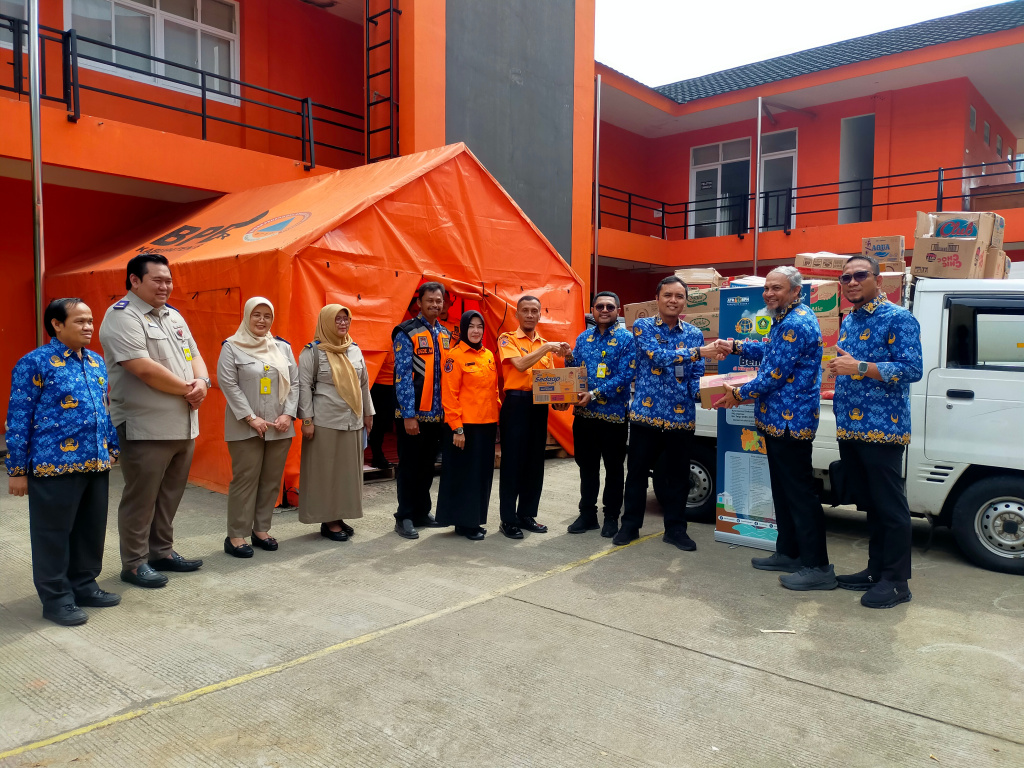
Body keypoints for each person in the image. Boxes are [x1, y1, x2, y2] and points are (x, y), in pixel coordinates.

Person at [714, 267, 832, 590]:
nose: (768, 294)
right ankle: (790, 552)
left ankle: (818, 566)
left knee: (800, 495)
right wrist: (735, 347)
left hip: (790, 423)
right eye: (766, 288)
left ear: (795, 291)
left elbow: (773, 376)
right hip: (777, 421)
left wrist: (737, 394)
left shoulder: (795, 322)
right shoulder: (786, 318)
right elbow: (771, 352)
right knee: (782, 491)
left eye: (776, 288)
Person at [6, 299, 121, 625]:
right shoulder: (34, 363)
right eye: (80, 321)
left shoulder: (96, 362)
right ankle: (56, 599)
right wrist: (17, 470)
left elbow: (104, 409)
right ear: (56, 324)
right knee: (53, 535)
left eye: (91, 321)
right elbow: (18, 418)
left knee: (90, 530)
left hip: (95, 462)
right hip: (52, 465)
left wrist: (112, 447)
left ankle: (84, 585)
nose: (88, 327)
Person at [99, 254, 208, 589]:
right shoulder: (122, 316)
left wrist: (202, 382)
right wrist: (189, 390)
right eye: (157, 280)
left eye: (168, 280)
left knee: (170, 494)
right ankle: (134, 563)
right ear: (134, 280)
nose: (165, 286)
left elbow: (194, 355)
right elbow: (142, 367)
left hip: (183, 423)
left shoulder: (173, 316)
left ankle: (161, 552)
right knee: (141, 498)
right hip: (145, 427)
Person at [828, 254, 922, 609]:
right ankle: (876, 570)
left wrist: (860, 367)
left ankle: (896, 582)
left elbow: (912, 369)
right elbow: (852, 367)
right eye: (846, 277)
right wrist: (841, 370)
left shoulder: (899, 318)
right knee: (871, 505)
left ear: (878, 280)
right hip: (851, 426)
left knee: (891, 507)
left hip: (883, 428)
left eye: (860, 275)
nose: (852, 282)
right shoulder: (850, 319)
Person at [617, 276, 714, 550]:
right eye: (668, 295)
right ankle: (629, 526)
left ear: (686, 301)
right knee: (636, 475)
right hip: (645, 417)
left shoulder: (694, 334)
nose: (673, 300)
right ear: (657, 299)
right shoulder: (643, 327)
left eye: (679, 296)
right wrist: (699, 352)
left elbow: (695, 377)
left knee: (678, 478)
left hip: (680, 419)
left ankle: (675, 529)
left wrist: (714, 393)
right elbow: (657, 357)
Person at [217, 297, 299, 558]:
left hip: (279, 426)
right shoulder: (232, 347)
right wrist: (250, 417)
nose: (262, 320)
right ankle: (236, 535)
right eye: (256, 315)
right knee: (245, 480)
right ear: (247, 316)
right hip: (245, 427)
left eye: (267, 316)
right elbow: (228, 384)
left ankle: (261, 529)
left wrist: (288, 414)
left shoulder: (283, 348)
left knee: (271, 480)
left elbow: (294, 384)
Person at [496, 295, 571, 539]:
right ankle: (508, 520)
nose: (530, 315)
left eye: (534, 311)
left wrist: (561, 401)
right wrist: (547, 348)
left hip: (538, 407)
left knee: (534, 463)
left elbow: (550, 382)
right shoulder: (507, 338)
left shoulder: (544, 344)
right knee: (512, 463)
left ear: (540, 315)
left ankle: (527, 515)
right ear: (517, 314)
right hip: (516, 404)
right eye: (525, 310)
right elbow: (519, 365)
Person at [297, 305, 374, 541]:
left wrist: (368, 413)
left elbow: (363, 384)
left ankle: (339, 516)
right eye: (337, 319)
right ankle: (328, 520)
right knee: (326, 473)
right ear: (326, 322)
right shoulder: (312, 352)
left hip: (352, 420)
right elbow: (303, 387)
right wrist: (307, 420)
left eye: (345, 319)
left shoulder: (354, 349)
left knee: (345, 473)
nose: (342, 323)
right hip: (325, 422)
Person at [565, 291, 635, 538]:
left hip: (613, 417)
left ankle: (611, 517)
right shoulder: (583, 338)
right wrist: (568, 359)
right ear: (592, 310)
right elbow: (573, 372)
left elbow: (626, 376)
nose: (604, 310)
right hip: (584, 416)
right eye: (599, 306)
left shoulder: (627, 339)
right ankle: (587, 515)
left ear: (618, 310)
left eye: (609, 307)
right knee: (587, 468)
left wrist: (594, 394)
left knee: (614, 469)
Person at [392, 283, 451, 539]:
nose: (435, 305)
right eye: (430, 300)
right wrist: (408, 415)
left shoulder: (446, 334)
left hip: (437, 415)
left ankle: (421, 512)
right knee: (409, 466)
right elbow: (402, 376)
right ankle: (404, 516)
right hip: (413, 416)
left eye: (439, 301)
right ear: (419, 302)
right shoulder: (406, 332)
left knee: (427, 466)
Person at [436, 311, 501, 540]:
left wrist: (497, 419)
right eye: (471, 326)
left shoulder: (488, 355)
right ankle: (464, 523)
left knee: (482, 475)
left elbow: (494, 391)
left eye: (479, 326)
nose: (476, 331)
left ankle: (475, 520)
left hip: (487, 425)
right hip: (465, 427)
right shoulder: (454, 357)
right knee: (465, 476)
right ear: (464, 329)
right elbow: (449, 395)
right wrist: (457, 428)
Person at [367, 349, 395, 470]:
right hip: (378, 382)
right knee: (379, 422)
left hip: (398, 382)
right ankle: (377, 455)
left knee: (387, 422)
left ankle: (378, 455)